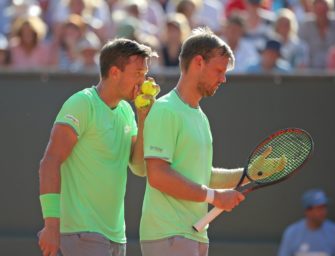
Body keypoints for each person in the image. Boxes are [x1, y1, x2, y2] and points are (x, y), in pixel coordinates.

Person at [140, 27, 287, 256]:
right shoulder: (165, 110)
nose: (223, 78)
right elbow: (157, 175)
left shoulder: (200, 117)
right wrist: (215, 196)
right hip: (169, 234)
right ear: (198, 62)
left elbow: (202, 176)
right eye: (219, 70)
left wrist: (249, 173)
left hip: (193, 235)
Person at [38, 38, 158, 256]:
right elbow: (50, 162)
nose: (144, 82)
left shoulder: (127, 112)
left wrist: (143, 119)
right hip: (81, 234)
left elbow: (139, 168)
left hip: (115, 237)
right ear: (114, 73)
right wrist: (52, 225)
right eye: (138, 74)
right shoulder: (82, 103)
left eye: (144, 74)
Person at [278, 189, 335, 256]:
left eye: (324, 207)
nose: (323, 212)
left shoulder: (333, 231)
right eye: (319, 208)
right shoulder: (292, 232)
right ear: (308, 211)